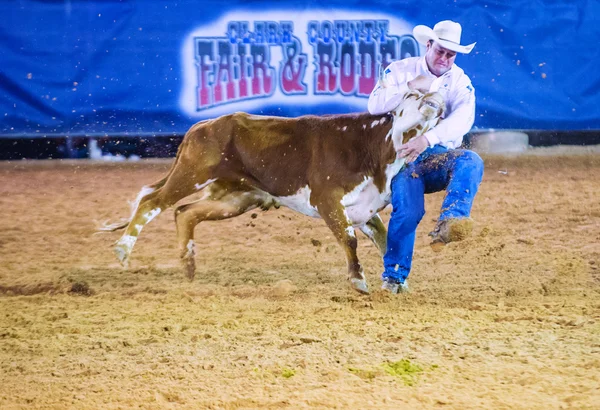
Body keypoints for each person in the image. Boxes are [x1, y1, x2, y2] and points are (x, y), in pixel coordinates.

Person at [367, 20, 485, 294]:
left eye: (450, 54)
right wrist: (410, 86)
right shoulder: (399, 71)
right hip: (401, 159)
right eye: (440, 51)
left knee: (470, 160)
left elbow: (463, 120)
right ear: (428, 45)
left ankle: (452, 220)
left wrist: (427, 139)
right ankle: (394, 278)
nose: (444, 58)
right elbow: (374, 105)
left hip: (435, 157)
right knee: (408, 213)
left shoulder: (460, 82)